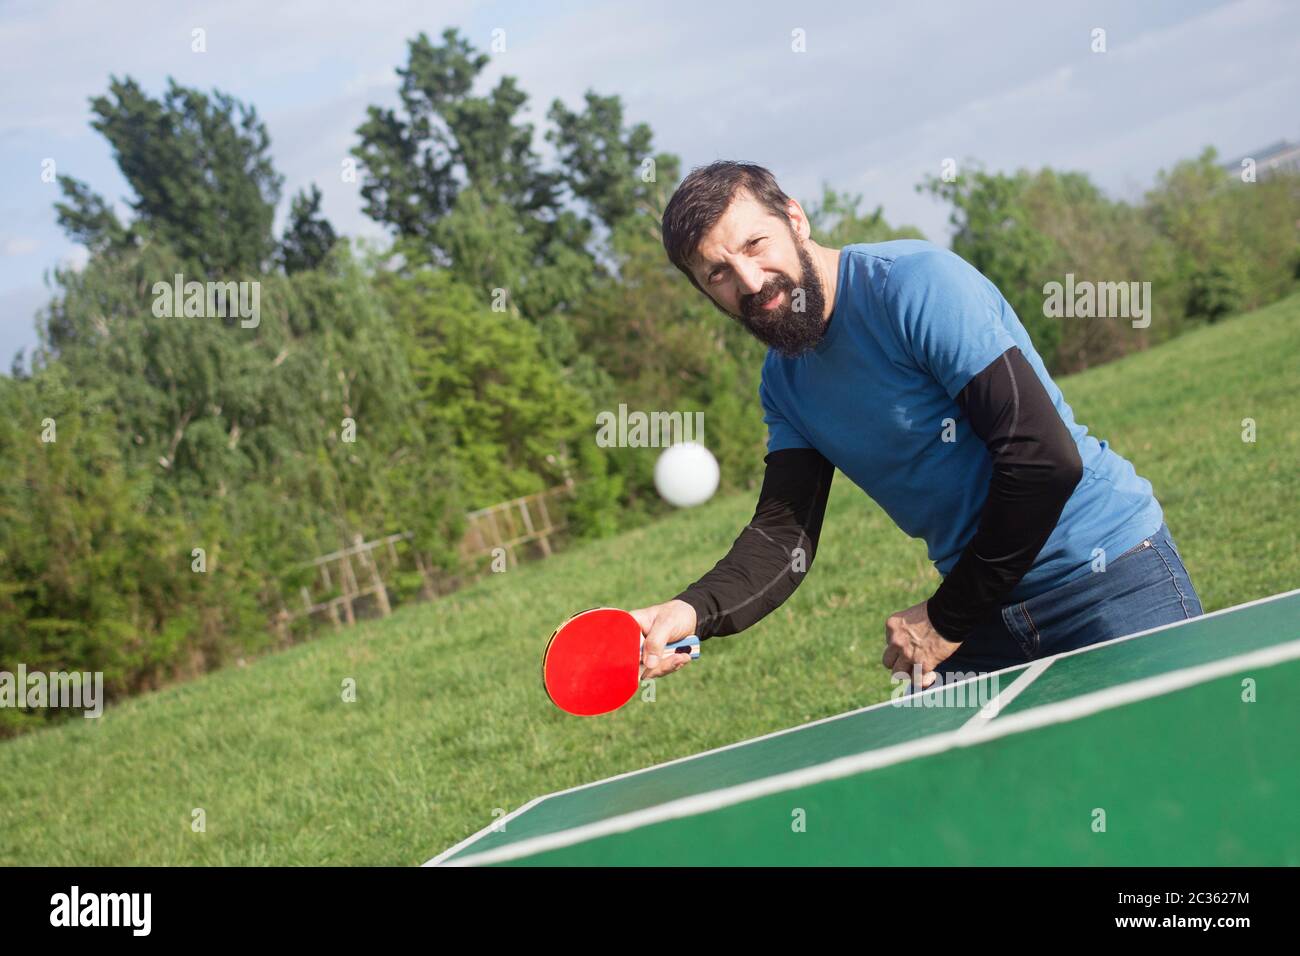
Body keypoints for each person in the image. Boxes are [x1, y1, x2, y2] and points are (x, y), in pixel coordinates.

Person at [631, 160, 1202, 691]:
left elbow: (1042, 460)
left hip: (1106, 580)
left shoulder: (915, 284)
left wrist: (947, 617)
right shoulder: (783, 382)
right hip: (985, 613)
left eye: (755, 245)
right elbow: (783, 538)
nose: (751, 282)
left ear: (795, 219)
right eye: (719, 274)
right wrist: (693, 610)